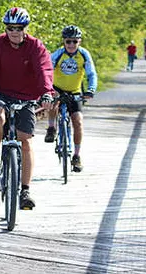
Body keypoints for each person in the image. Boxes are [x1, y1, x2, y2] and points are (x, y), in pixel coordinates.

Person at [0, 7, 54, 209]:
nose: (14, 32)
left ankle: (25, 190)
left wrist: (46, 92)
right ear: (6, 28)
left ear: (25, 28)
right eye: (10, 28)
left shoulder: (35, 46)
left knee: (25, 141)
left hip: (27, 95)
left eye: (19, 28)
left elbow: (44, 69)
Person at [44, 25, 97, 172]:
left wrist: (91, 89)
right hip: (57, 89)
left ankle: (77, 156)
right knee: (53, 103)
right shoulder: (58, 55)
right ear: (64, 41)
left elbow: (91, 74)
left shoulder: (84, 55)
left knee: (78, 122)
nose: (71, 45)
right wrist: (48, 89)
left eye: (75, 41)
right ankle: (51, 128)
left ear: (79, 41)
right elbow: (47, 71)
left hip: (75, 91)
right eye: (68, 41)